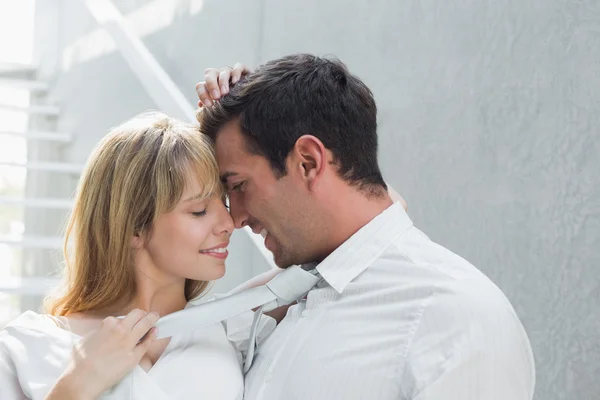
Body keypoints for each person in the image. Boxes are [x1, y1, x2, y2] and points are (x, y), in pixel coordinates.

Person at [196, 53, 536, 399]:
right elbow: (182, 339)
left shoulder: (456, 319)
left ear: (308, 162)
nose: (235, 219)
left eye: (238, 186)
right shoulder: (286, 303)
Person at [0, 112, 275, 399]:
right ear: (133, 228)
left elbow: (319, 258)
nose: (229, 224)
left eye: (224, 203)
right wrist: (76, 386)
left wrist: (241, 105)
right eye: (199, 211)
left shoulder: (237, 325)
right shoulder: (28, 348)